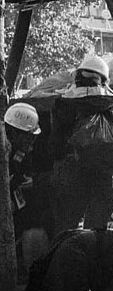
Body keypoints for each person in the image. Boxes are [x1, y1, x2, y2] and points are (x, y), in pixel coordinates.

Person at [50, 55, 113, 234]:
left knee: (69, 228)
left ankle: (71, 258)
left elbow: (56, 145)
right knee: (99, 229)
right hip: (107, 176)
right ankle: (96, 258)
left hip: (72, 174)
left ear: (78, 76)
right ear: (104, 79)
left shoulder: (64, 103)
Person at [6, 102, 50, 276]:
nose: (32, 141)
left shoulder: (22, 152)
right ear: (14, 133)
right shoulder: (5, 150)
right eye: (28, 136)